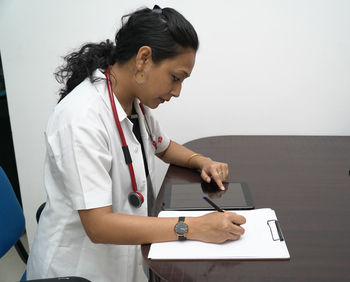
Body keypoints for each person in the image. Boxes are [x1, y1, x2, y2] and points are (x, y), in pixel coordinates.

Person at [26, 5, 246, 282]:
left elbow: (163, 146)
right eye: (175, 78)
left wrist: (201, 161)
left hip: (122, 261)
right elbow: (99, 226)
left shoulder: (130, 102)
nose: (177, 92)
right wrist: (194, 227)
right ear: (143, 58)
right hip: (76, 272)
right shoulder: (81, 118)